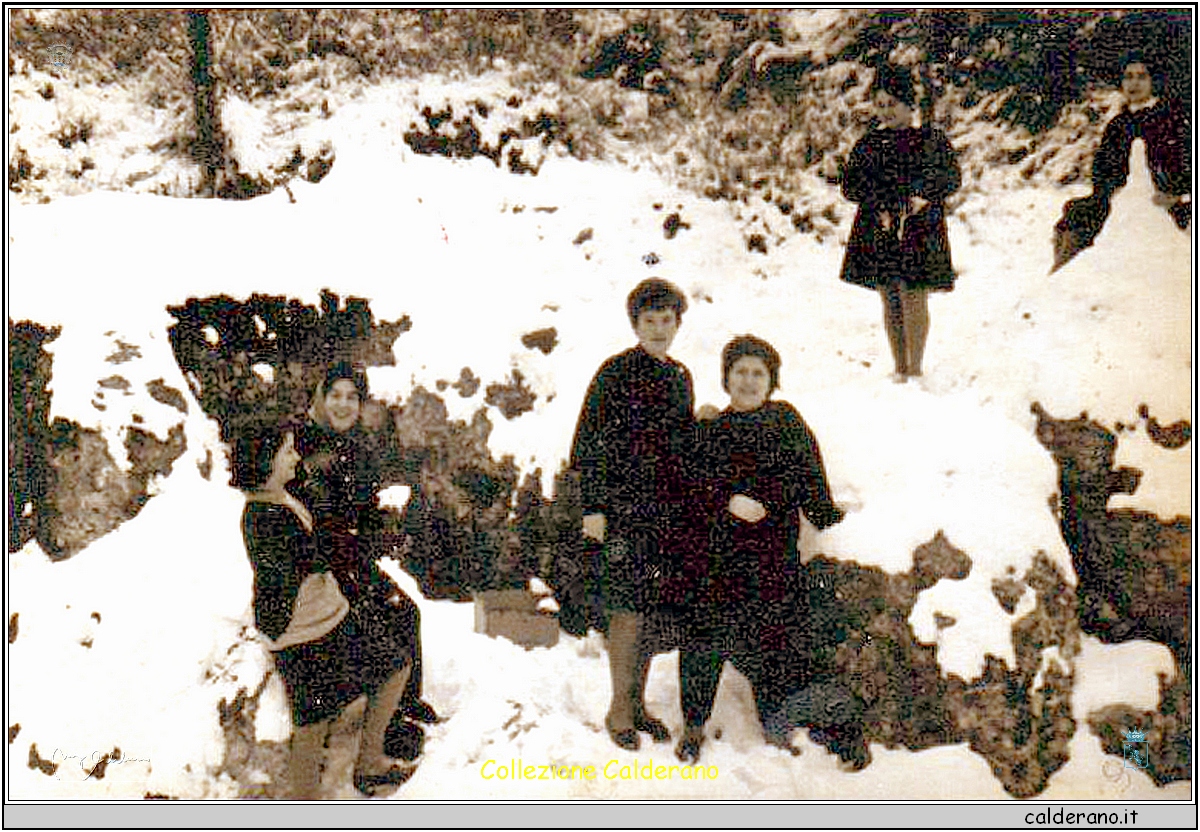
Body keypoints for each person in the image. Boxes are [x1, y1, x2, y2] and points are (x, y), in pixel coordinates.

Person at [667, 336, 863, 768]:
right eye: (740, 372)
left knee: (779, 644)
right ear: (726, 378)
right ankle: (694, 725)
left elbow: (809, 481)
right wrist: (725, 502)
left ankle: (802, 725)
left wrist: (801, 511)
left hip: (771, 560)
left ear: (772, 380)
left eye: (758, 373)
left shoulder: (785, 421)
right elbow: (687, 490)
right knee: (702, 635)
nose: (749, 381)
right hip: (717, 561)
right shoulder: (711, 430)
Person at [236, 420, 417, 798]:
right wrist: (370, 544)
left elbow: (326, 540)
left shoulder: (283, 496)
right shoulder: (262, 518)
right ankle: (307, 801)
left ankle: (368, 764)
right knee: (312, 725)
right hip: (301, 637)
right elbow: (316, 556)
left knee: (394, 664)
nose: (296, 456)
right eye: (287, 451)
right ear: (265, 462)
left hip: (330, 617)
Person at [569, 278, 696, 751]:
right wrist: (594, 508)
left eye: (668, 321)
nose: (659, 329)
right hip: (622, 512)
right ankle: (618, 710)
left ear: (678, 324)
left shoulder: (681, 376)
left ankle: (638, 703)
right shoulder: (615, 373)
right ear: (635, 324)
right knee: (625, 610)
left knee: (649, 611)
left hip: (666, 515)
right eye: (650, 321)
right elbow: (587, 444)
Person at [295, 365, 439, 748]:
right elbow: (318, 520)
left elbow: (361, 507)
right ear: (321, 399)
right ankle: (387, 728)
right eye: (335, 395)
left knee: (407, 613)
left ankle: (405, 704)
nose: (343, 404)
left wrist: (383, 524)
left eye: (352, 397)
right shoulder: (304, 447)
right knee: (381, 624)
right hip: (324, 569)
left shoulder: (357, 445)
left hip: (352, 561)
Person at [840, 64, 962, 382]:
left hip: (919, 228)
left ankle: (916, 367)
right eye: (879, 105)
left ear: (910, 104)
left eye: (891, 104)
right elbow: (851, 185)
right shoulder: (868, 144)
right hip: (880, 226)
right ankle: (899, 367)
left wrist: (923, 196)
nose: (886, 112)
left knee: (913, 293)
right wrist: (877, 204)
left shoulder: (931, 139)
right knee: (889, 294)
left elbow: (950, 177)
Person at [1055, 52, 1191, 264]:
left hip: (1169, 202)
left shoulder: (1173, 118)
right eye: (1128, 77)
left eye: (1141, 77)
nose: (1133, 84)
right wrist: (1111, 192)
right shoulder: (1118, 125)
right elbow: (1102, 171)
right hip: (1121, 201)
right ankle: (1064, 280)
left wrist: (1179, 195)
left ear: (1154, 81)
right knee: (1076, 214)